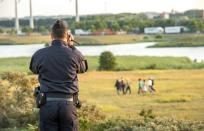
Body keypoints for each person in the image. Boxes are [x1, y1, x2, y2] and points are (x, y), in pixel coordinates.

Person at [30, 20, 88, 131]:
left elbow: (33, 69)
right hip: (68, 105)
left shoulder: (40, 54)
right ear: (68, 36)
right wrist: (72, 47)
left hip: (47, 105)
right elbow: (83, 68)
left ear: (51, 35)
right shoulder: (74, 54)